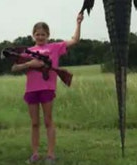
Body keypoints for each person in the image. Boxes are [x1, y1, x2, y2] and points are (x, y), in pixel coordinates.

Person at [11, 12, 84, 164]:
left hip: (47, 89)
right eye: (37, 34)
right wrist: (29, 64)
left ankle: (51, 155)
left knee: (48, 121)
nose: (40, 37)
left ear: (48, 35)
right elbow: (14, 68)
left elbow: (75, 40)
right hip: (31, 90)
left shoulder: (55, 47)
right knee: (34, 123)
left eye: (43, 34)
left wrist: (78, 23)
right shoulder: (27, 52)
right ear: (33, 35)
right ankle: (35, 154)